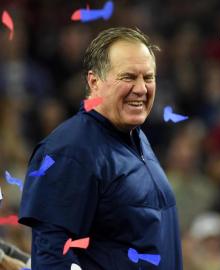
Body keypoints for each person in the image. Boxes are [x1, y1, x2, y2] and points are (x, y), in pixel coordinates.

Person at [18, 27, 183, 269]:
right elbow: (53, 258)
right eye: (128, 77)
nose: (141, 89)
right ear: (94, 82)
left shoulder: (135, 137)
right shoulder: (70, 151)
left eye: (148, 77)